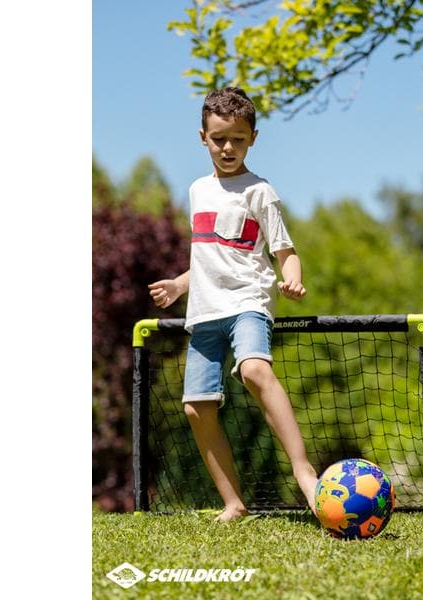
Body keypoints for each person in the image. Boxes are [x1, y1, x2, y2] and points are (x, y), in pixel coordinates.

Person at [148, 87, 318, 522]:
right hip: (204, 309)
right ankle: (234, 502)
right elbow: (210, 254)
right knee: (196, 406)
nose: (228, 147)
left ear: (253, 138)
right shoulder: (197, 191)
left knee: (254, 369)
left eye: (238, 139)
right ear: (202, 137)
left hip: (248, 300)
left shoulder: (259, 191)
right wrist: (180, 285)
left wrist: (292, 280)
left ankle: (304, 472)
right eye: (219, 138)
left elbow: (285, 251)